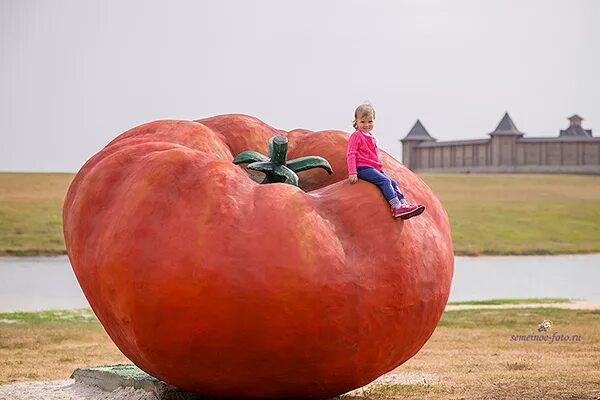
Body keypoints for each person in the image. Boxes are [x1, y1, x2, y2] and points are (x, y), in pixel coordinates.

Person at [347, 103, 425, 219]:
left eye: (370, 121)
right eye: (362, 122)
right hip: (363, 167)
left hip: (373, 167)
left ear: (374, 121)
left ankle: (404, 204)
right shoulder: (356, 136)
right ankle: (396, 207)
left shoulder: (371, 137)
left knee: (392, 182)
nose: (366, 125)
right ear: (356, 122)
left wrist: (378, 168)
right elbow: (351, 154)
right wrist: (352, 172)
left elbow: (373, 156)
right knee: (384, 181)